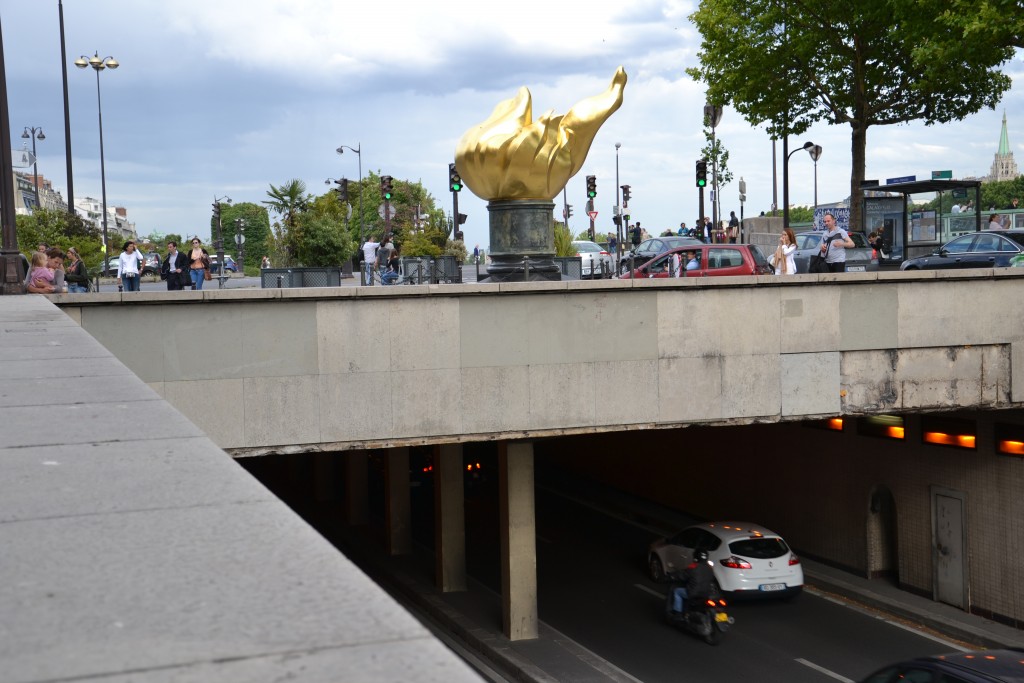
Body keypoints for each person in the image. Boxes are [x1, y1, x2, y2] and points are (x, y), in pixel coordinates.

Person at [670, 549, 716, 613]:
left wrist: (673, 576)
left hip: (693, 593)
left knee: (677, 591)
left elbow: (683, 576)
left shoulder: (694, 567)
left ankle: (677, 612)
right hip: (707, 593)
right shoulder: (710, 568)